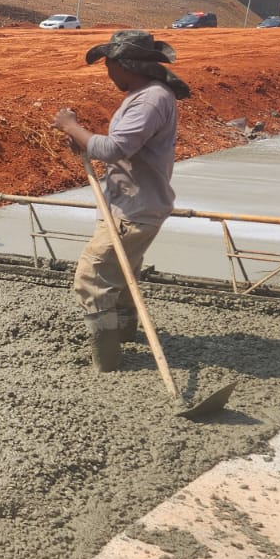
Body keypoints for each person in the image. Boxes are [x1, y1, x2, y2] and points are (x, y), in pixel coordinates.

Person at [52, 30, 191, 372]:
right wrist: (84, 142)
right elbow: (119, 147)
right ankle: (125, 335)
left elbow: (115, 149)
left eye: (108, 65)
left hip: (135, 208)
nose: (107, 73)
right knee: (123, 273)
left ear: (123, 65)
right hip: (130, 204)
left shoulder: (149, 100)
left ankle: (108, 359)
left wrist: (72, 127)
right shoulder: (147, 95)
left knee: (92, 276)